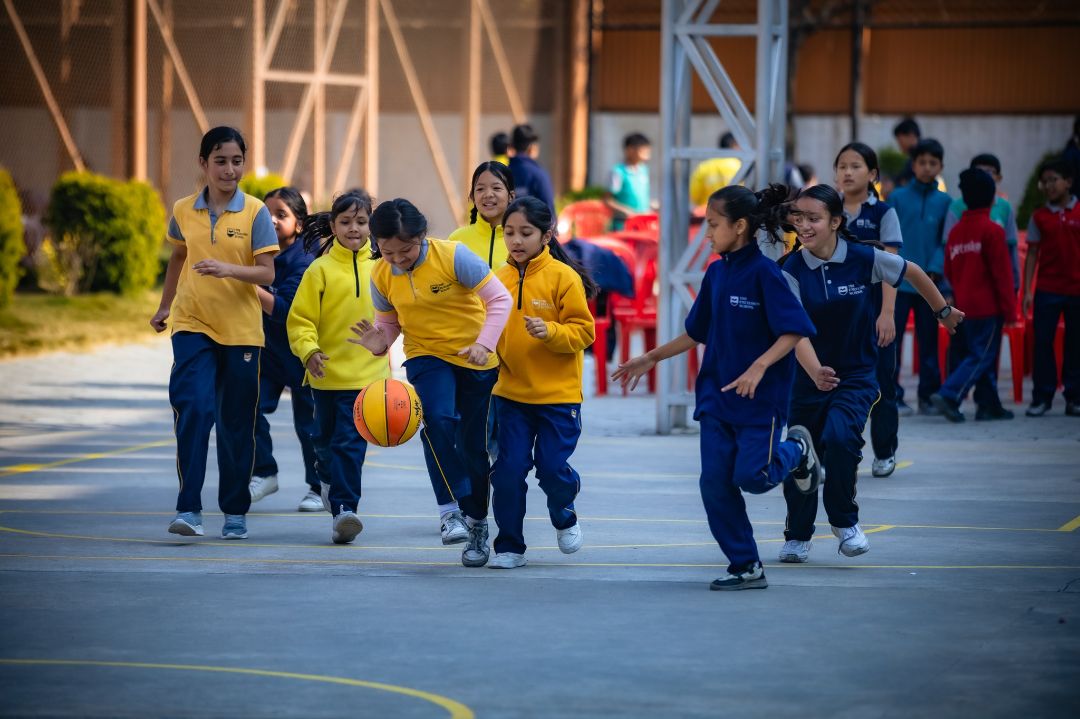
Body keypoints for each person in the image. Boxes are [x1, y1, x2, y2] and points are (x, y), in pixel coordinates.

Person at [614, 185, 825, 591]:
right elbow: (697, 332)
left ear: (739, 226)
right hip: (715, 399)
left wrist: (759, 367)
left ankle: (798, 450)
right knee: (714, 483)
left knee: (754, 476)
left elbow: (795, 330)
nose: (707, 234)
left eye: (713, 225)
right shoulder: (716, 273)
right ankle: (746, 565)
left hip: (759, 403)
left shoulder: (766, 274)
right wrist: (651, 357)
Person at [779, 184, 963, 563]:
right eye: (799, 219)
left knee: (841, 438)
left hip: (857, 375)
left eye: (814, 218)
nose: (804, 226)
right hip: (807, 379)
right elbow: (793, 329)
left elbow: (913, 272)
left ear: (835, 222)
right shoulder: (790, 269)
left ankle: (845, 522)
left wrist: (942, 311)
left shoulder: (864, 258)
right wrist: (814, 371)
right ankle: (797, 534)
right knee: (801, 455)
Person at [349, 199, 512, 566]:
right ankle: (451, 510)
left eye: (405, 250)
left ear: (421, 235)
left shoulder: (454, 256)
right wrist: (380, 342)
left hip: (474, 357)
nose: (397, 259)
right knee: (437, 420)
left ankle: (477, 523)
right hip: (425, 356)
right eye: (387, 252)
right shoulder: (381, 274)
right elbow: (389, 322)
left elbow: (500, 299)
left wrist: (484, 344)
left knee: (473, 447)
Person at [150, 126, 278, 540]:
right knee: (193, 409)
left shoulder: (256, 212)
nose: (229, 170)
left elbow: (267, 273)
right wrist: (165, 305)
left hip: (241, 331)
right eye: (220, 161)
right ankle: (188, 508)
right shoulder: (183, 209)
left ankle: (235, 511)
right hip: (192, 323)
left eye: (237, 161)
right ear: (203, 163)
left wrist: (228, 270)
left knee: (235, 424)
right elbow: (179, 256)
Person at [487, 197, 598, 569]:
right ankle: (509, 546)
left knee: (551, 469)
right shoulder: (497, 279)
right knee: (507, 471)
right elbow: (485, 327)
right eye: (509, 233)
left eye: (525, 233)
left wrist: (550, 331)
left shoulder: (563, 277)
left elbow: (584, 332)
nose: (516, 240)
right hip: (511, 396)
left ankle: (564, 511)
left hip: (558, 397)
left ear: (546, 236)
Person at [287, 190, 390, 544]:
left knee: (349, 443)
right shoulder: (319, 270)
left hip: (368, 378)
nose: (354, 228)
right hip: (326, 377)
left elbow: (399, 315)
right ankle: (327, 477)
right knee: (324, 443)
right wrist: (309, 351)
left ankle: (345, 509)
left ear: (371, 225)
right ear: (333, 226)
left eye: (361, 221)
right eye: (345, 222)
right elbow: (300, 320)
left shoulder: (384, 268)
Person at [247, 187, 322, 512]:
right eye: (267, 214)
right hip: (268, 352)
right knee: (246, 405)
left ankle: (318, 487)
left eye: (282, 214)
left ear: (299, 224)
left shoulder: (304, 260)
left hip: (302, 352)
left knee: (309, 426)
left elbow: (285, 310)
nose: (272, 220)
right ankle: (264, 471)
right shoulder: (256, 254)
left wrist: (242, 282)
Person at [834, 142, 904, 478]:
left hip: (875, 309)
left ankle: (885, 451)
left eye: (855, 166)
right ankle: (831, 452)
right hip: (836, 312)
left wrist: (887, 314)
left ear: (873, 173)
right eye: (842, 166)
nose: (847, 172)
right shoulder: (827, 210)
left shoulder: (883, 213)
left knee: (882, 385)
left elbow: (892, 267)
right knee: (831, 382)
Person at [930, 169, 1016, 423]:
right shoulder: (993, 231)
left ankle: (989, 405)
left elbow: (948, 271)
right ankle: (949, 394)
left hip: (963, 307)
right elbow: (1002, 276)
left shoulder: (956, 233)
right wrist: (1010, 311)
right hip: (988, 309)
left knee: (979, 355)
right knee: (982, 356)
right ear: (992, 198)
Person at [889, 138, 952, 416]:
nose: (927, 167)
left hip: (929, 284)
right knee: (892, 341)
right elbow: (889, 238)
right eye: (922, 162)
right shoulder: (897, 198)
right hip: (898, 282)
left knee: (928, 341)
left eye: (933, 163)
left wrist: (935, 267)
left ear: (940, 167)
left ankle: (927, 395)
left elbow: (945, 240)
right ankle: (892, 395)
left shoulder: (946, 202)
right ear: (913, 165)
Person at [1023, 158, 1080, 417]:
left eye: (1053, 180)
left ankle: (1074, 397)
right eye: (1044, 182)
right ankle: (1042, 397)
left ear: (1068, 182)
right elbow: (1032, 254)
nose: (1049, 186)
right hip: (1047, 289)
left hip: (1077, 290)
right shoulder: (1039, 217)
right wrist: (1028, 291)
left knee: (1075, 344)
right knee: (1043, 343)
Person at [943, 154, 1020, 291]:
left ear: (999, 177)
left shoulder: (1005, 207)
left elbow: (1011, 248)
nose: (984, 176)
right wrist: (948, 289)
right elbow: (947, 250)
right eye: (979, 171)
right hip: (964, 283)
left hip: (997, 283)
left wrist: (1015, 284)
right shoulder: (956, 207)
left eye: (989, 172)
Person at [447, 161, 515, 269]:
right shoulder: (456, 240)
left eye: (496, 188)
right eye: (480, 189)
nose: (488, 194)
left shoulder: (521, 240)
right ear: (473, 197)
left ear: (511, 196)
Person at [604, 132, 653, 230]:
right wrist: (627, 211)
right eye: (643, 149)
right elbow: (608, 200)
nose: (647, 152)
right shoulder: (618, 172)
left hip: (642, 225)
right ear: (630, 150)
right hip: (624, 226)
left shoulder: (643, 170)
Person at [508, 124, 556, 216]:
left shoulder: (503, 173)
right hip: (533, 224)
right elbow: (549, 211)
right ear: (532, 148)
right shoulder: (539, 174)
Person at [689, 132, 742, 207]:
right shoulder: (740, 166)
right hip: (734, 211)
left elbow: (694, 196)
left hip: (708, 211)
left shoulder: (704, 166)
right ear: (734, 145)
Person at [891, 117, 921, 189]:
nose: (899, 144)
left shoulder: (920, 157)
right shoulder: (911, 157)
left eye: (900, 140)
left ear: (911, 135)